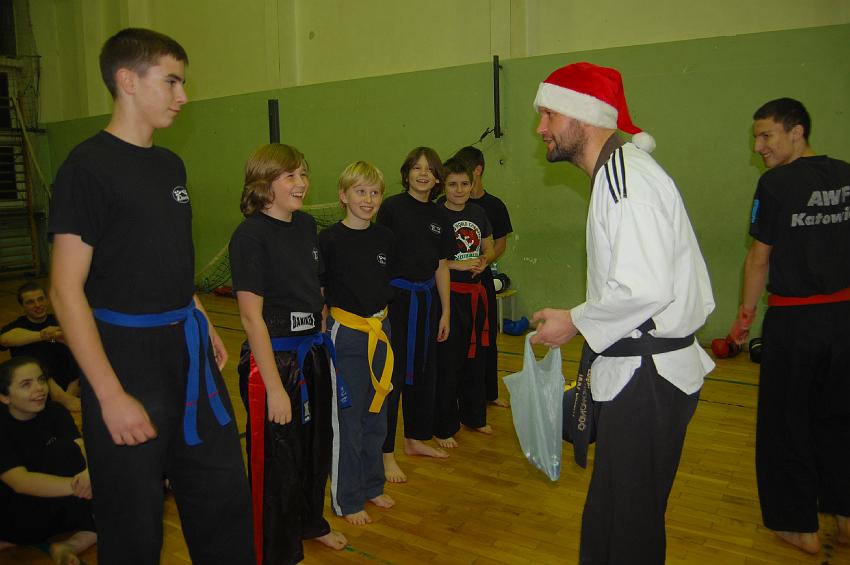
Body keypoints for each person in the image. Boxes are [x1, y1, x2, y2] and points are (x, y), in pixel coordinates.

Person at [48, 28, 254, 564]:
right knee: (133, 520)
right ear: (128, 80)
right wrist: (110, 396)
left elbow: (165, 257)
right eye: (172, 81)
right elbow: (65, 289)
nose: (183, 96)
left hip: (187, 353)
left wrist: (199, 314)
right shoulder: (86, 168)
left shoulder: (170, 166)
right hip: (125, 359)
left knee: (222, 493)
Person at [530, 62, 714, 563]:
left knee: (629, 522)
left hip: (646, 378)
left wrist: (574, 320)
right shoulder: (621, 173)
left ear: (581, 116)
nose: (540, 128)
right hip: (640, 373)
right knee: (612, 513)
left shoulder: (624, 179)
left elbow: (644, 287)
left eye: (548, 115)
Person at [728, 97, 850, 554]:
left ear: (796, 131)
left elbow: (759, 257)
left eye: (766, 135)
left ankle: (799, 526)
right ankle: (846, 517)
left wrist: (744, 318)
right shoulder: (847, 175)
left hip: (795, 323)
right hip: (845, 322)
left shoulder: (775, 183)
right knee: (840, 417)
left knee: (786, 421)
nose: (758, 146)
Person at [230, 143, 348, 564]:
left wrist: (321, 322)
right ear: (264, 184)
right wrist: (275, 388)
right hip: (274, 362)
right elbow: (251, 318)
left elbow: (314, 287)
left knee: (315, 446)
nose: (302, 184)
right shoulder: (249, 236)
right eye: (291, 176)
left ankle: (309, 522)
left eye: (303, 174)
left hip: (311, 352)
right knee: (278, 460)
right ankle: (276, 550)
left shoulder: (305, 226)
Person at [320, 161, 396, 526]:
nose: (368, 199)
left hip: (380, 331)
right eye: (360, 192)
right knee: (347, 420)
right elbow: (320, 288)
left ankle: (371, 484)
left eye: (374, 192)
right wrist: (323, 330)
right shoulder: (328, 240)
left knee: (376, 411)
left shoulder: (385, 238)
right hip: (346, 335)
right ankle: (347, 498)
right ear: (343, 195)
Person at [375, 146, 454, 483]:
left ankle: (416, 438)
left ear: (437, 179)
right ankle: (385, 453)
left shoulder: (439, 216)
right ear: (406, 173)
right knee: (391, 377)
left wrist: (445, 311)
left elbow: (441, 265)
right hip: (396, 301)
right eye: (417, 168)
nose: (423, 174)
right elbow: (379, 258)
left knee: (424, 371)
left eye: (430, 169)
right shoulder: (391, 208)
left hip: (427, 301)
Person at [0, 356, 97, 565]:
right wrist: (82, 487)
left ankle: (66, 546)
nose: (39, 388)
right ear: (5, 397)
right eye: (26, 384)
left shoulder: (55, 412)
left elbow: (81, 448)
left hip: (60, 497)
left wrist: (89, 474)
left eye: (41, 380)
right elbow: (20, 482)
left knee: (114, 513)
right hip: (17, 508)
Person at [434, 157, 495, 449]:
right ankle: (444, 425)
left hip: (476, 294)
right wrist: (455, 265)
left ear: (472, 185)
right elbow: (431, 259)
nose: (459, 190)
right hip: (448, 295)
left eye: (464, 184)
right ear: (443, 186)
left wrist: (484, 260)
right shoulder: (436, 215)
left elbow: (489, 245)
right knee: (449, 361)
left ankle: (474, 416)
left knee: (476, 357)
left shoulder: (478, 212)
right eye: (452, 184)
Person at [451, 146, 513, 408]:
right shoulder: (446, 206)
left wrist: (483, 262)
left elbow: (500, 244)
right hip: (453, 283)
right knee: (456, 340)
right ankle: (457, 395)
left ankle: (490, 392)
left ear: (477, 171)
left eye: (465, 175)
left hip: (481, 279)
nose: (459, 185)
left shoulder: (493, 206)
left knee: (486, 336)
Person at [1, 282, 81, 412]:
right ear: (22, 306)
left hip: (68, 378)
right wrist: (44, 335)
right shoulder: (17, 325)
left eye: (40, 299)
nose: (38, 305)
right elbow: (4, 340)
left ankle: (70, 392)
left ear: (46, 300)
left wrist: (58, 339)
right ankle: (60, 396)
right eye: (30, 302)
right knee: (30, 348)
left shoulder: (59, 320)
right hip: (40, 383)